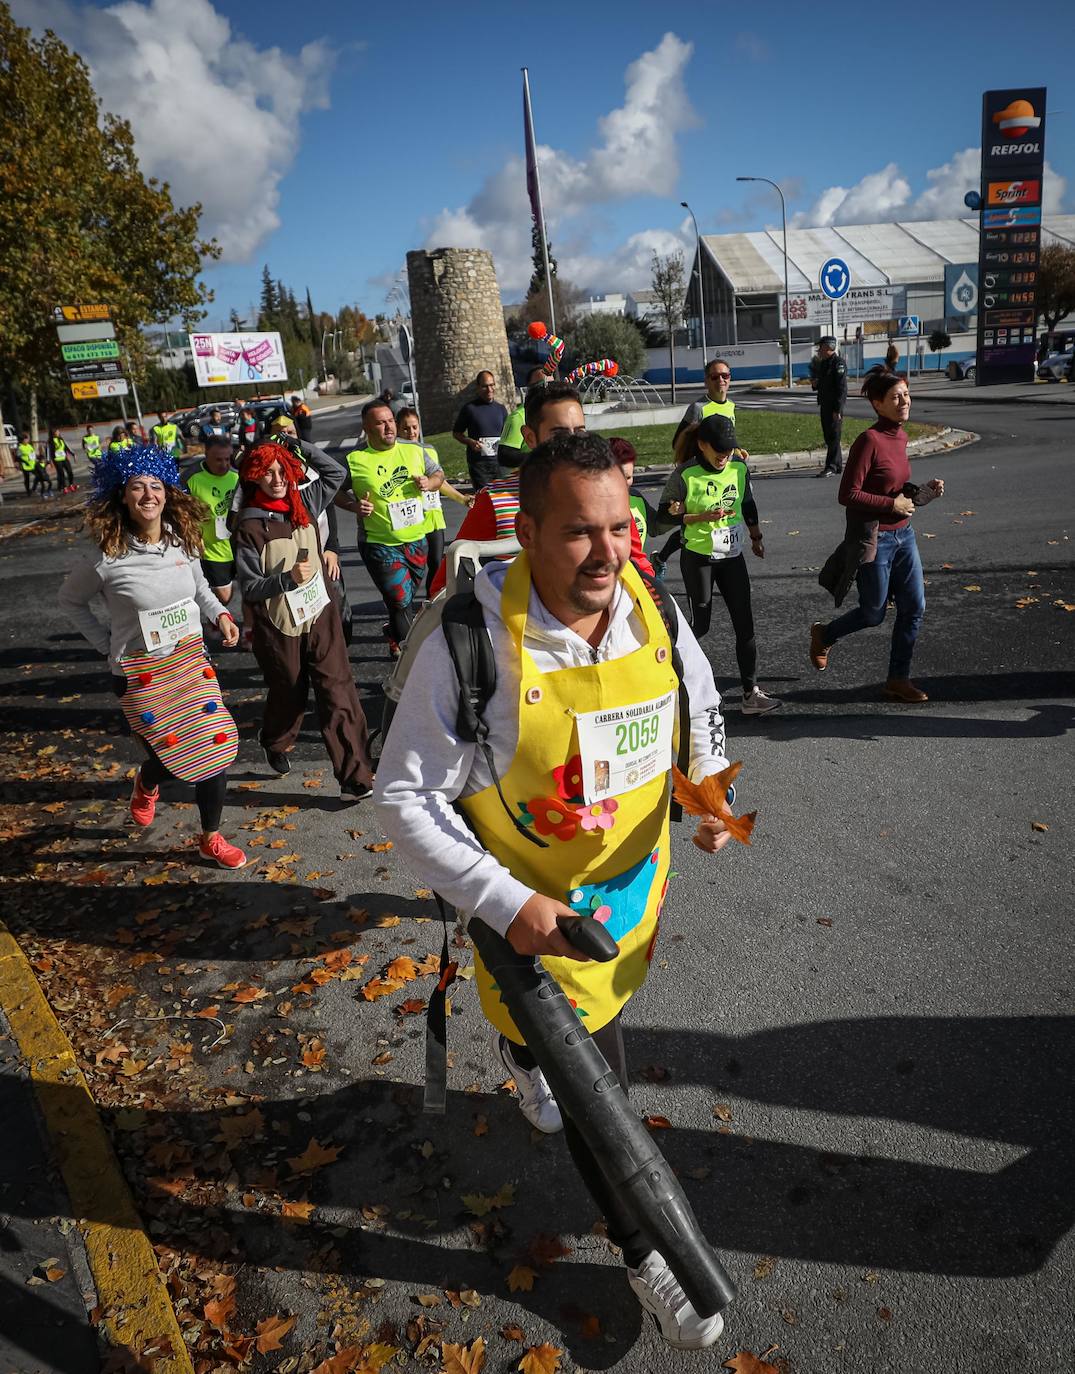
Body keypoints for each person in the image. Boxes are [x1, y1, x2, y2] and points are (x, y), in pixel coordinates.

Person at [375, 432, 738, 1351]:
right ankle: (646, 1252)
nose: (606, 553)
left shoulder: (652, 604)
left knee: (574, 1022)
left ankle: (521, 1049)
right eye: (579, 533)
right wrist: (505, 905)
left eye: (619, 528)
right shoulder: (467, 644)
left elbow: (694, 702)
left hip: (632, 890)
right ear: (527, 532)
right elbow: (405, 796)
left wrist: (708, 793)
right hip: (532, 913)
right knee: (595, 1085)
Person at [57, 444, 247, 869]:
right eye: (137, 487)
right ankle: (146, 780)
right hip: (140, 674)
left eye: (156, 486)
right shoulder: (105, 555)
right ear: (122, 496)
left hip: (189, 662)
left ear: (167, 492)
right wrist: (107, 645)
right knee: (171, 758)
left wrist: (220, 615)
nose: (148, 495)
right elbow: (70, 601)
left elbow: (200, 587)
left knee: (214, 747)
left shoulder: (180, 539)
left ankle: (210, 838)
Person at [234, 441, 374, 795]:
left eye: (283, 471)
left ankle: (356, 777)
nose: (277, 479)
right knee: (290, 692)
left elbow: (335, 473)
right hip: (280, 626)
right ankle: (275, 740)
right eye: (269, 473)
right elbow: (249, 587)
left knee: (337, 689)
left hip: (321, 616)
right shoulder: (249, 526)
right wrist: (286, 579)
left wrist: (299, 447)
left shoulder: (306, 502)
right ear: (255, 477)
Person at [428, 383, 652, 597]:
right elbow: (446, 584)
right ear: (530, 437)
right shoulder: (495, 501)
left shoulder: (606, 489)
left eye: (580, 431)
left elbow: (640, 568)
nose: (573, 442)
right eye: (559, 434)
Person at [809, 372, 944, 703]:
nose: (904, 401)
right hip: (875, 540)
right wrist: (890, 505)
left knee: (914, 607)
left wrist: (924, 492)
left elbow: (893, 488)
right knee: (873, 613)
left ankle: (898, 679)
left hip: (904, 536)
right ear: (877, 404)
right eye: (896, 397)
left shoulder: (901, 436)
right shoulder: (868, 441)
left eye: (906, 395)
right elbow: (848, 493)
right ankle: (825, 634)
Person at [657, 414, 780, 715]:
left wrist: (756, 537)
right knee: (700, 625)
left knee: (745, 625)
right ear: (702, 445)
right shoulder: (685, 475)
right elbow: (662, 517)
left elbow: (747, 504)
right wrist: (681, 512)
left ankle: (751, 693)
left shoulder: (738, 468)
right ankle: (665, 680)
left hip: (732, 557)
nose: (725, 454)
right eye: (719, 448)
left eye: (729, 447)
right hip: (699, 559)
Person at [336, 399, 443, 656]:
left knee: (404, 600)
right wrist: (353, 506)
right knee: (400, 600)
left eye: (391, 421)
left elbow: (439, 474)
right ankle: (413, 659)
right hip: (379, 543)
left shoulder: (414, 450)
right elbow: (334, 491)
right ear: (367, 428)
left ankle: (394, 631)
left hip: (417, 540)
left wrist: (429, 483)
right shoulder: (354, 459)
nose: (389, 427)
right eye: (380, 423)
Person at [653, 359, 746, 579]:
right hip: (699, 476)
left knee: (715, 521)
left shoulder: (731, 406)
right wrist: (691, 468)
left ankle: (714, 569)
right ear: (706, 381)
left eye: (725, 376)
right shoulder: (698, 408)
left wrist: (737, 450)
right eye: (715, 376)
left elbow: (725, 438)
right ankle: (679, 566)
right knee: (694, 526)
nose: (720, 380)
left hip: (723, 472)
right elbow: (679, 441)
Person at [395, 407, 471, 596]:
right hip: (411, 520)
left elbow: (439, 482)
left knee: (437, 564)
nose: (411, 432)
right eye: (406, 428)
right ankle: (404, 603)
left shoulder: (429, 450)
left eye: (414, 427)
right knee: (413, 569)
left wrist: (462, 498)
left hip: (433, 517)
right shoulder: (395, 454)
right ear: (397, 429)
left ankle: (431, 603)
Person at [185, 435, 239, 607]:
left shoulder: (237, 476)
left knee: (249, 592)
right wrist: (193, 537)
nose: (224, 464)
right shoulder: (190, 478)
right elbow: (180, 513)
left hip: (238, 546)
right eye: (218, 460)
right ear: (206, 454)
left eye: (227, 459)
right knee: (224, 597)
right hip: (211, 549)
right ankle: (214, 618)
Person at [452, 371, 508, 492]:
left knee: (502, 498)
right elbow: (456, 433)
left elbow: (507, 434)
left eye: (492, 385)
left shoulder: (501, 409)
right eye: (485, 386)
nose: (489, 389)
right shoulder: (470, 409)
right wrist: (470, 442)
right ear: (478, 388)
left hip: (499, 464)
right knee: (485, 499)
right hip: (480, 466)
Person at [608, 437, 654, 552]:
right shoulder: (593, 508)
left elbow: (656, 526)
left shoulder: (635, 497)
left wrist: (675, 510)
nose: (624, 483)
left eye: (628, 477)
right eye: (618, 477)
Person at [497, 366, 547, 467]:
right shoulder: (519, 416)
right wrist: (539, 458)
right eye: (541, 386)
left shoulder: (558, 414)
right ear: (529, 389)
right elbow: (505, 455)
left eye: (552, 385)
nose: (548, 390)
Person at [814, 336, 847, 477]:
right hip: (825, 405)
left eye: (821, 347)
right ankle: (837, 465)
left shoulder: (838, 363)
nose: (819, 350)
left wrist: (837, 409)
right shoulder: (824, 364)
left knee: (833, 436)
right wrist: (816, 384)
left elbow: (841, 388)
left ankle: (831, 467)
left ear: (829, 347)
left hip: (834, 406)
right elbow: (824, 383)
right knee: (829, 436)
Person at [49, 428, 76, 492]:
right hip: (57, 459)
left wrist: (73, 454)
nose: (58, 433)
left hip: (64, 458)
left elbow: (66, 447)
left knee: (70, 471)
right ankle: (64, 487)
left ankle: (71, 484)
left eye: (58, 432)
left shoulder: (61, 439)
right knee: (61, 473)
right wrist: (49, 461)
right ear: (53, 433)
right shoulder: (50, 441)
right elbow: (49, 452)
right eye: (57, 432)